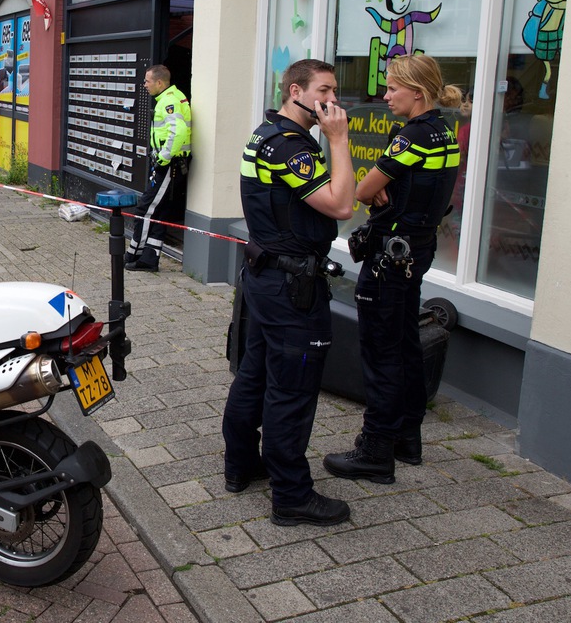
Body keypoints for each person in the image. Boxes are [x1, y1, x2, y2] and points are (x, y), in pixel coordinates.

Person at [222, 58, 354, 527]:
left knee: (255, 374)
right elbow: (340, 204)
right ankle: (292, 496)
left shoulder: (266, 133)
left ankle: (241, 465)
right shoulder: (290, 145)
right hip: (291, 288)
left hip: (267, 277)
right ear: (295, 91)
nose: (332, 101)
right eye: (324, 91)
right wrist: (338, 140)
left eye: (335, 91)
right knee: (291, 391)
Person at [323, 54, 461, 484]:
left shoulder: (413, 135)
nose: (385, 96)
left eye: (392, 89)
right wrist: (385, 188)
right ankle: (406, 439)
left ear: (417, 93)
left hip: (390, 260)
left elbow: (363, 189)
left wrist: (376, 188)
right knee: (404, 346)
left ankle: (375, 452)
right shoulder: (444, 131)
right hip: (416, 253)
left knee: (382, 354)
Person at [124, 64, 192, 272]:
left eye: (147, 81)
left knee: (145, 208)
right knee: (159, 211)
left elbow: (178, 132)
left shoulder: (169, 101)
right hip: (170, 165)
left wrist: (162, 158)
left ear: (160, 82)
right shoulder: (168, 98)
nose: (145, 85)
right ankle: (150, 259)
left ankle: (135, 252)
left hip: (169, 166)